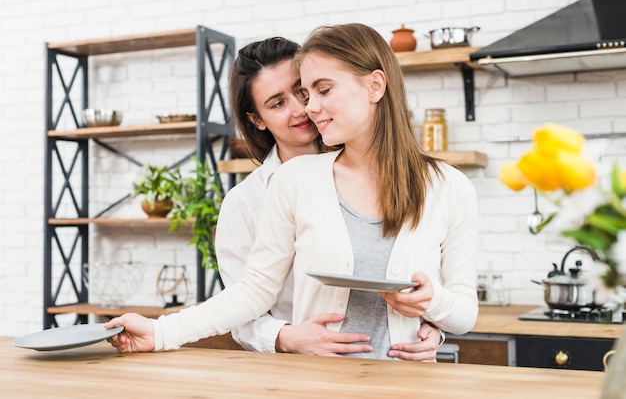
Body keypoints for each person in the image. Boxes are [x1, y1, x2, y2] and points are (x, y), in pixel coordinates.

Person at [105, 23, 479, 360]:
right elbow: (253, 292)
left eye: (320, 91)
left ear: (375, 85)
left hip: (409, 386)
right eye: (294, 97)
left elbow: (463, 312)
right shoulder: (295, 181)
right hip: (315, 382)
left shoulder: (450, 187)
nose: (309, 108)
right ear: (257, 119)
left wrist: (435, 309)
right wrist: (161, 330)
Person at [216, 37, 442, 360]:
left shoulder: (380, 175)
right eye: (277, 103)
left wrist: (432, 327)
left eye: (302, 90)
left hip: (394, 368)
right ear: (257, 119)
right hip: (302, 372)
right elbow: (241, 311)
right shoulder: (244, 203)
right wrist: (289, 337)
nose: (302, 109)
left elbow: (428, 277)